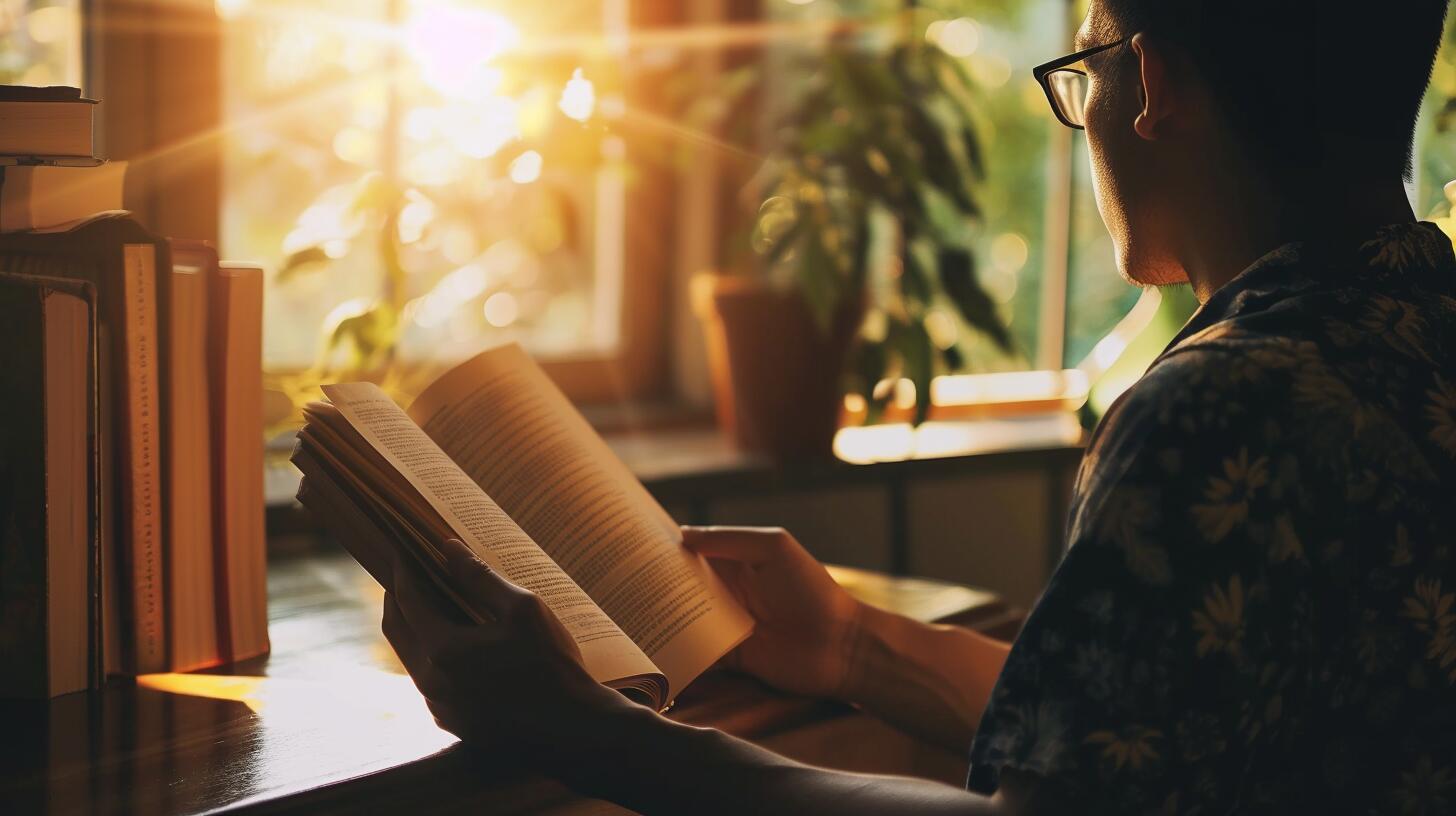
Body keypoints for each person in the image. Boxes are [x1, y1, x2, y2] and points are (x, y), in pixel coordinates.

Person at [378, 0, 1456, 812]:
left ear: (1153, 84)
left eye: (1080, 70)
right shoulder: (1417, 331)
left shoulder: (1222, 407)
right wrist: (851, 646)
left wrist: (583, 729)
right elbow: (1127, 729)